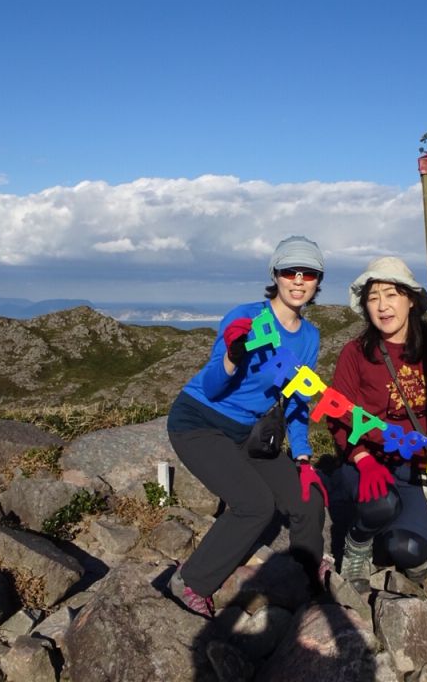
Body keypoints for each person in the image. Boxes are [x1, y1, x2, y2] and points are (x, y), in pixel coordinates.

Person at [165, 235, 329, 617]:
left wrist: (303, 454)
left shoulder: (309, 337)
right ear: (275, 274)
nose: (299, 280)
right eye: (290, 271)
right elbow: (212, 386)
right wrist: (232, 359)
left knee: (308, 498)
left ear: (319, 281)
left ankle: (307, 579)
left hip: (249, 433)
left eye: (310, 273)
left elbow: (296, 397)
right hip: (199, 421)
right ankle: (192, 581)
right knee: (255, 505)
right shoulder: (246, 316)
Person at [326, 256, 427, 594]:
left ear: (410, 300)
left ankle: (398, 541)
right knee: (380, 505)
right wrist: (361, 458)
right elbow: (338, 413)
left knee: (408, 550)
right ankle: (357, 544)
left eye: (391, 294)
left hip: (415, 467)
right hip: (366, 459)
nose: (382, 306)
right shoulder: (356, 352)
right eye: (373, 297)